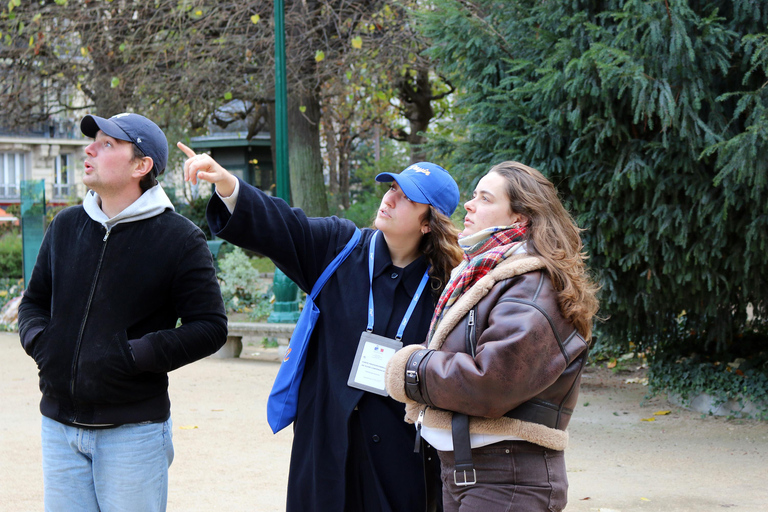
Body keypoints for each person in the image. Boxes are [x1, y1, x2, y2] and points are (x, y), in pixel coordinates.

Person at [178, 141, 463, 512]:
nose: (389, 199)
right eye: (392, 187)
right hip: (324, 447)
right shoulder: (339, 246)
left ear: (428, 222)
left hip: (400, 463)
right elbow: (284, 226)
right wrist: (229, 185)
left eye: (407, 197)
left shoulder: (447, 289)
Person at [18, 113, 228, 512]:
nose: (89, 150)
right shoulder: (65, 225)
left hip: (133, 433)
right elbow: (33, 303)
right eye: (93, 141)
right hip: (59, 428)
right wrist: (43, 344)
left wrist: (135, 355)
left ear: (141, 166)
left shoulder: (180, 239)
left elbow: (211, 326)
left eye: (107, 144)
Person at [386, 161, 600, 511]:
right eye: (473, 196)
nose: (469, 205)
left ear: (520, 218)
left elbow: (492, 381)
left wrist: (409, 368)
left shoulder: (533, 284)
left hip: (507, 478)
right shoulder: (485, 273)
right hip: (476, 473)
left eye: (485, 198)